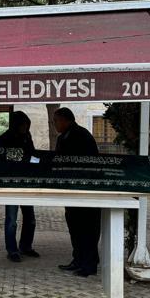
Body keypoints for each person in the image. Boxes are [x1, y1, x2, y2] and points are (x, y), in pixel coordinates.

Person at [54, 107, 101, 277]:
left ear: (66, 120)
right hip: (71, 189)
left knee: (87, 228)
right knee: (75, 227)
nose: (54, 125)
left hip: (85, 190)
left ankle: (89, 265)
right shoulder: (63, 137)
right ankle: (78, 260)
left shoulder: (81, 135)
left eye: (56, 121)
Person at [0, 111, 38, 262]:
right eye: (23, 124)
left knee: (30, 218)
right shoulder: (4, 139)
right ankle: (12, 250)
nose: (25, 127)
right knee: (12, 219)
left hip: (26, 182)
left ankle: (26, 246)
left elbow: (32, 154)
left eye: (27, 124)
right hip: (11, 183)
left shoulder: (27, 136)